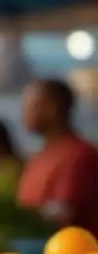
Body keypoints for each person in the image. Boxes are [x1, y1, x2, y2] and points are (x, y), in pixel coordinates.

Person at [18, 78, 98, 233]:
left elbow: (62, 215)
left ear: (51, 108)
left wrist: (11, 218)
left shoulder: (79, 155)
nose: (24, 114)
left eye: (31, 106)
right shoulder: (39, 157)